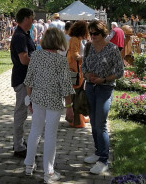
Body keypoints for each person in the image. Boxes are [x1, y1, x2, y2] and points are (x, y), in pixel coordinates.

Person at [23, 28, 75, 182]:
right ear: (59, 41)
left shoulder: (36, 55)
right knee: (50, 135)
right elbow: (65, 86)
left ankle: (28, 165)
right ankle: (49, 173)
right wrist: (69, 106)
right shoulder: (60, 60)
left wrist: (30, 99)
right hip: (53, 102)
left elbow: (28, 80)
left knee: (35, 131)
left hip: (37, 99)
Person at [82, 20, 124, 175]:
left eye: (96, 33)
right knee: (93, 122)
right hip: (90, 88)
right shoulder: (88, 47)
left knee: (101, 124)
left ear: (104, 33)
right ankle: (98, 152)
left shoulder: (112, 49)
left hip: (105, 88)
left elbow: (120, 72)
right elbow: (84, 66)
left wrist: (104, 79)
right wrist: (87, 74)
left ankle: (104, 160)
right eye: (91, 33)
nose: (93, 36)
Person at [10, 8, 36, 158]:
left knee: (22, 112)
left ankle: (19, 141)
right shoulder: (20, 36)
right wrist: (40, 60)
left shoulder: (24, 34)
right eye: (31, 18)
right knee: (21, 113)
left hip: (26, 78)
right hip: (22, 79)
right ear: (26, 19)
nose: (32, 21)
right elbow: (24, 59)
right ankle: (19, 146)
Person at [66, 20, 89, 128]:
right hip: (75, 72)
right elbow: (75, 56)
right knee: (76, 95)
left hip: (77, 71)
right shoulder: (75, 39)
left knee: (77, 94)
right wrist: (86, 58)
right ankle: (76, 121)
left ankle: (79, 118)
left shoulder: (77, 39)